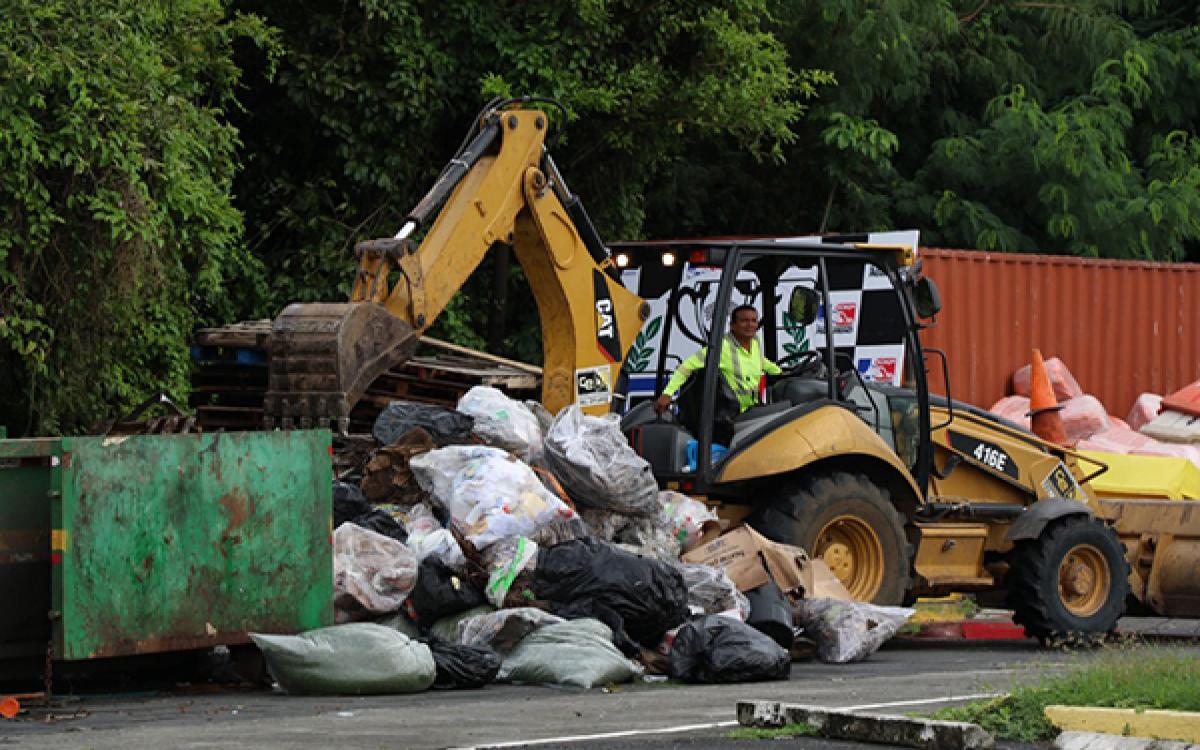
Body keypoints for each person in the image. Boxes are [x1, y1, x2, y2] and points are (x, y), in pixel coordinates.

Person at [655, 304, 781, 415]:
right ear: (732, 326)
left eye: (754, 320)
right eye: (744, 321)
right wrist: (667, 393)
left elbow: (760, 361)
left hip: (754, 408)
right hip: (735, 414)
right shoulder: (720, 347)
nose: (750, 325)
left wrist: (781, 372)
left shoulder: (754, 343)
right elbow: (685, 367)